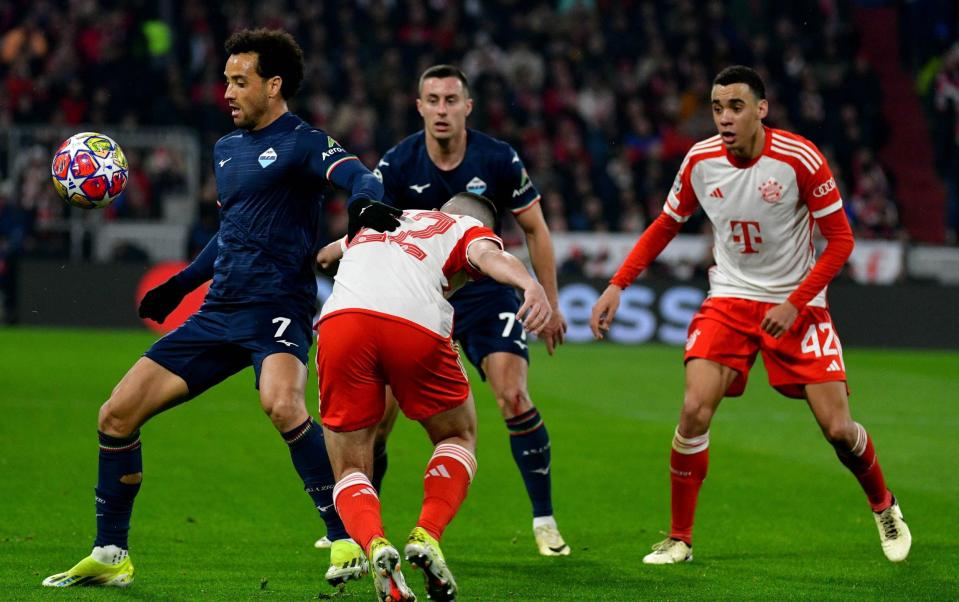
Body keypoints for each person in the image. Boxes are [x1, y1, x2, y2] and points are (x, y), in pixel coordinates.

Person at [42, 28, 400, 588]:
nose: (227, 92)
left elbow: (361, 176)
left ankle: (342, 537)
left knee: (282, 405)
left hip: (276, 307)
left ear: (273, 84)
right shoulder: (227, 148)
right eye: (226, 80)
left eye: (240, 81)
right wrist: (181, 284)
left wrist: (365, 202)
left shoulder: (306, 142)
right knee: (115, 415)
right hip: (219, 310)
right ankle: (111, 554)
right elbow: (232, 231)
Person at [590, 66, 912, 565]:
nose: (724, 118)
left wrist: (795, 302)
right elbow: (664, 225)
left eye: (736, 107)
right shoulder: (700, 160)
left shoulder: (799, 158)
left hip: (797, 302)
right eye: (717, 108)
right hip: (731, 298)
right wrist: (617, 284)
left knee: (838, 430)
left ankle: (884, 505)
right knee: (694, 409)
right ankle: (680, 538)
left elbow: (842, 241)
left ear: (761, 109)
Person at [340, 64, 570, 557]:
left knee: (513, 397)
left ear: (467, 106)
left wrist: (547, 299)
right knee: (380, 420)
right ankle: (367, 527)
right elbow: (375, 226)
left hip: (486, 292)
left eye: (451, 100)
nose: (442, 110)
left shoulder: (498, 158)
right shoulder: (399, 162)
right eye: (433, 100)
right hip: (420, 296)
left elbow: (536, 230)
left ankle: (544, 519)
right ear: (419, 106)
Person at [314, 192, 552, 601]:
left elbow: (322, 257)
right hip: (413, 324)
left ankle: (374, 544)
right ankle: (427, 534)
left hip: (341, 323)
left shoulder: (385, 218)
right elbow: (491, 258)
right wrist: (530, 283)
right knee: (457, 436)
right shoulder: (463, 227)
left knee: (350, 463)